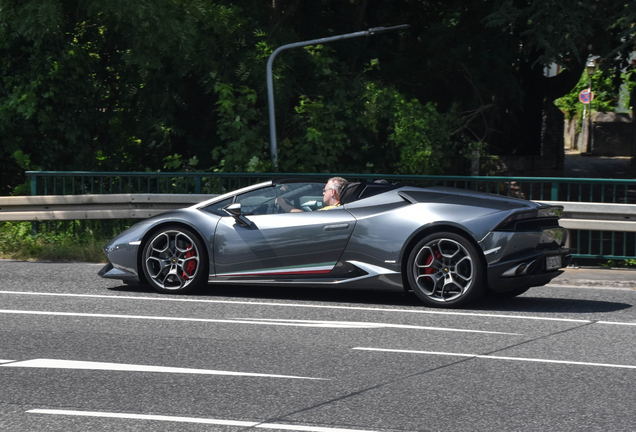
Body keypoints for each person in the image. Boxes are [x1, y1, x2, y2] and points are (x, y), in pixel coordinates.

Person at [275, 177, 347, 212]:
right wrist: (290, 205)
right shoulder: (343, 206)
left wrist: (282, 204)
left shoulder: (331, 210)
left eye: (325, 190)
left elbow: (303, 216)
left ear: (332, 192)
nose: (323, 193)